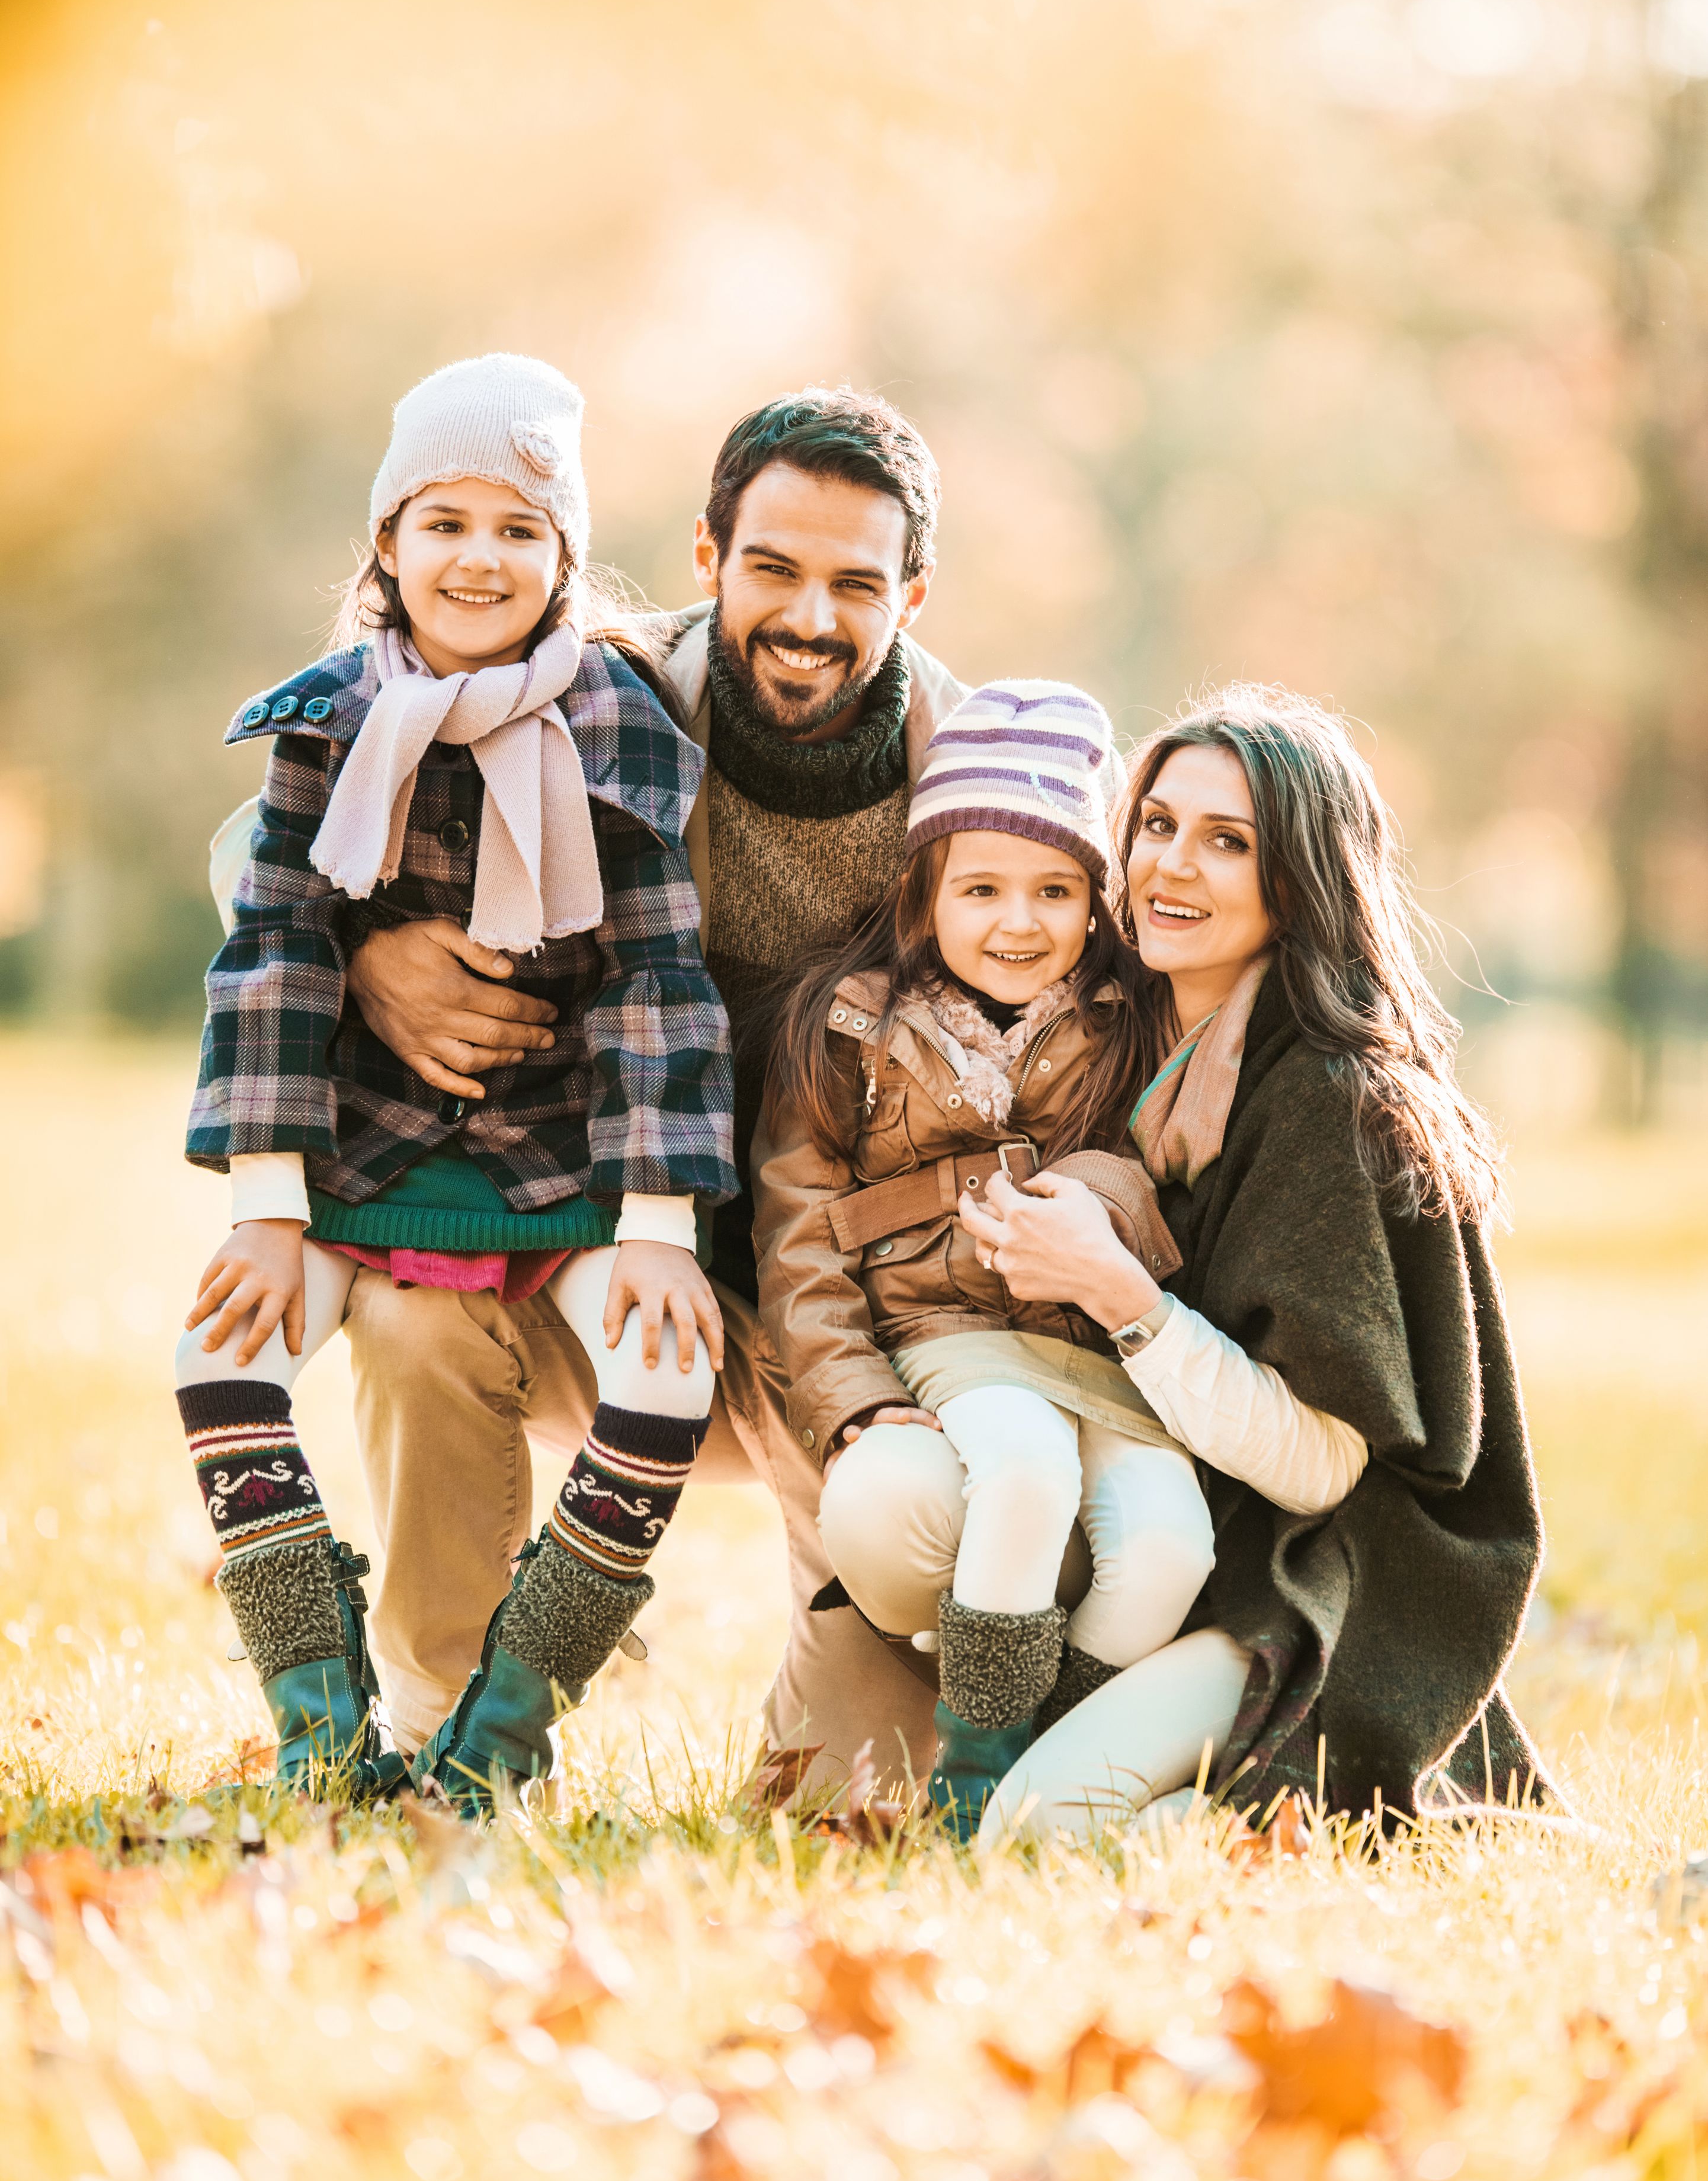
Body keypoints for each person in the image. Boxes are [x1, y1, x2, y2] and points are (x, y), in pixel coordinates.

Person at [209, 389, 967, 1788]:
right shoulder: (594, 690)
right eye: (772, 570)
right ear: (703, 558)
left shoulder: (971, 781)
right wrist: (369, 954)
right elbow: (262, 847)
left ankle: (867, 1674)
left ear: (910, 594)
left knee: (864, 1796)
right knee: (413, 1312)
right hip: (588, 1254)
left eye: (855, 584)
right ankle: (454, 1720)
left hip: (838, 1320)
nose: (808, 616)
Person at [826, 684, 1546, 1844]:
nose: (1171, 866)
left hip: (1319, 1580)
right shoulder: (1113, 1031)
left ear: (1300, 878)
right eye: (1155, 824)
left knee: (1039, 1832)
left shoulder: (1328, 1096)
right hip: (1174, 1516)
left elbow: (1319, 1473)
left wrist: (1113, 1290)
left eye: (1226, 842)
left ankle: (1243, 1819)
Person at [178, 354, 737, 1810]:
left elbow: (654, 985)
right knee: (216, 1359)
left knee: (663, 1374)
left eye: (518, 529)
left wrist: (659, 1230)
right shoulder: (325, 718)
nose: (479, 559)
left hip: (565, 1166)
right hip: (368, 1161)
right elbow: (276, 955)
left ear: (564, 556)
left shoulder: (619, 723)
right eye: (444, 524)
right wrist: (265, 1203)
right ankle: (324, 1725)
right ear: (386, 541)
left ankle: (499, 1732)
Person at [754, 681, 1219, 1837]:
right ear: (922, 892)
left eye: (1054, 891)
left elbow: (1155, 1162)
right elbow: (797, 1237)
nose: (1018, 922)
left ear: (1096, 900)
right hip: (947, 1338)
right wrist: (856, 1402)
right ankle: (969, 1782)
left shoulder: (1130, 1019)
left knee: (1168, 1545)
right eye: (982, 889)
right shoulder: (850, 1026)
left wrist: (1090, 1198)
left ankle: (1047, 1754)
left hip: (1101, 1347)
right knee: (1019, 1472)